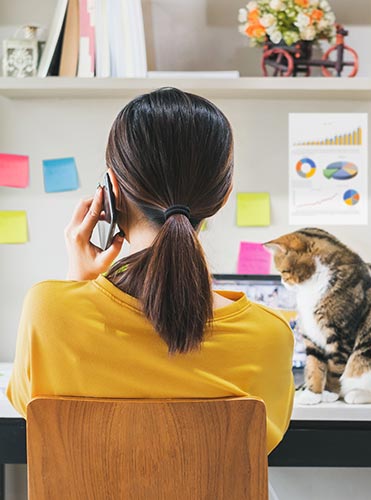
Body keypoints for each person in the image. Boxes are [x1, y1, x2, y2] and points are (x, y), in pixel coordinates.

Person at [7, 87, 295, 453]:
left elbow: (30, 407)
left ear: (110, 192)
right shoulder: (269, 335)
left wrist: (77, 287)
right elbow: (263, 445)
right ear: (223, 195)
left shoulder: (47, 309)